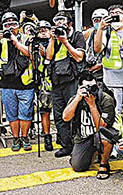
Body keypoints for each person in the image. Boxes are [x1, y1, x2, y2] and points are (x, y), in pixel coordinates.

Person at [0, 11, 34, 151]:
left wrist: (15, 41)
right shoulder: (0, 40)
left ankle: (25, 136)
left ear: (18, 25)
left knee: (25, 112)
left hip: (25, 82)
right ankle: (15, 138)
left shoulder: (26, 38)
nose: (10, 28)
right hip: (7, 83)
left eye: (13, 24)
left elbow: (30, 53)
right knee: (11, 113)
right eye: (7, 25)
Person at [62, 71, 116, 178]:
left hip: (101, 134)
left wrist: (92, 106)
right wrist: (78, 98)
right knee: (78, 166)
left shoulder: (106, 99)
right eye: (86, 87)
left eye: (93, 86)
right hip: (84, 136)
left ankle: (104, 164)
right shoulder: (76, 99)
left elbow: (102, 127)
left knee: (106, 138)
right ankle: (93, 152)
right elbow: (65, 118)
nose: (90, 90)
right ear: (79, 87)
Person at [46, 11, 86, 157]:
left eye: (62, 20)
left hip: (72, 80)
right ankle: (66, 145)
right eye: (56, 20)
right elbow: (49, 56)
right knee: (58, 115)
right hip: (57, 81)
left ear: (70, 23)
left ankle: (78, 144)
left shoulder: (77, 36)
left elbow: (79, 57)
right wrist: (52, 39)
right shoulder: (54, 38)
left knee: (75, 113)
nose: (59, 23)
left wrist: (65, 42)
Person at [92, 4, 123, 126]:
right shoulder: (106, 32)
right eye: (112, 14)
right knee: (114, 113)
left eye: (118, 13)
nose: (115, 15)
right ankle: (115, 139)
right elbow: (97, 49)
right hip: (112, 81)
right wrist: (100, 29)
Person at [32, 20, 55, 150]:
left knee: (59, 110)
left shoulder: (57, 40)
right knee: (44, 111)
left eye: (46, 28)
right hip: (43, 81)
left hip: (57, 80)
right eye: (40, 29)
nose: (43, 31)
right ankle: (47, 137)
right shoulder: (34, 44)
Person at [84, 8, 108, 83]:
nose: (98, 23)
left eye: (100, 20)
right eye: (96, 20)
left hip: (105, 73)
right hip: (91, 72)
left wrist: (102, 65)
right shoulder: (88, 33)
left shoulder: (110, 33)